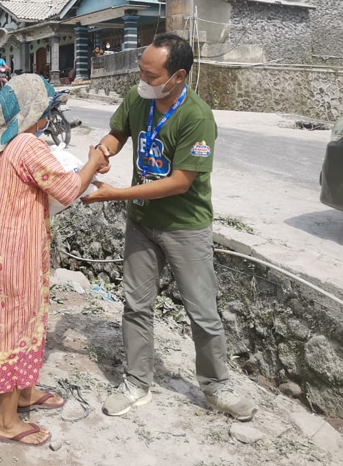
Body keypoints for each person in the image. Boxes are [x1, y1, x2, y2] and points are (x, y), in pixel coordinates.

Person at [83, 33, 257, 421]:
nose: (142, 78)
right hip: (142, 222)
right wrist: (103, 150)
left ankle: (216, 387)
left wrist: (115, 194)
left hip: (184, 226)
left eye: (151, 73)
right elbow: (118, 133)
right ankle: (136, 383)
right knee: (136, 305)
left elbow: (180, 182)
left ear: (177, 76)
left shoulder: (196, 116)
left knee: (203, 311)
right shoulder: (138, 98)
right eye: (141, 69)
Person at [0, 74, 106, 447]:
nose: (50, 115)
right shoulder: (27, 145)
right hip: (16, 256)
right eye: (47, 108)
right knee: (13, 329)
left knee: (19, 324)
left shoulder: (0, 145)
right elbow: (69, 188)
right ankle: (7, 422)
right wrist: (93, 162)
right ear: (34, 112)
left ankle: (24, 395)